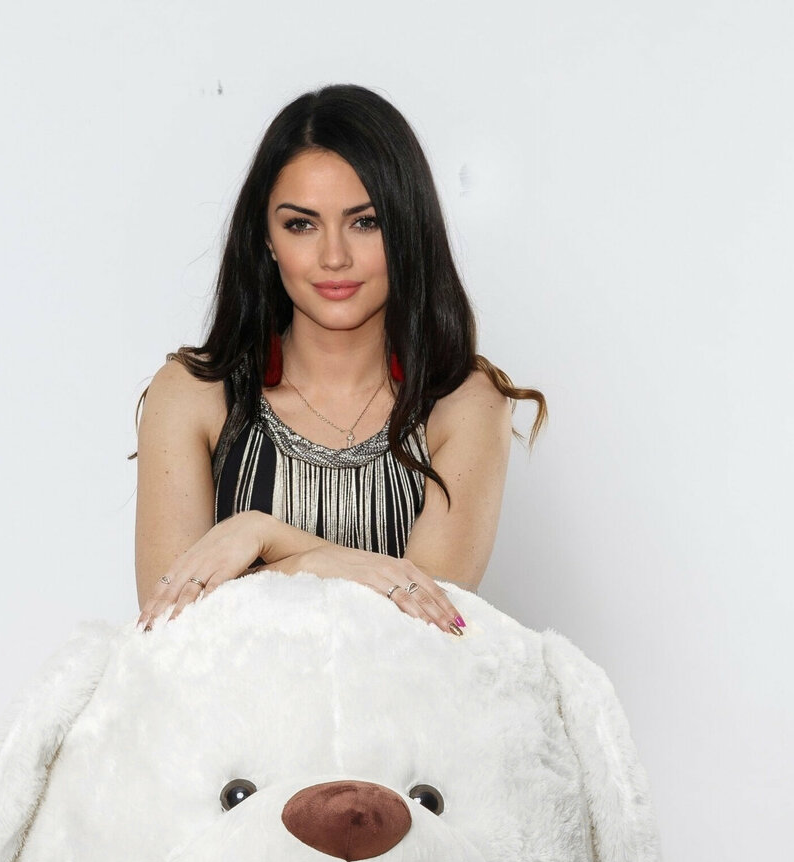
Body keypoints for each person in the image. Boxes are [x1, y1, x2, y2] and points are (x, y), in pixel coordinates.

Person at [136, 85, 545, 635]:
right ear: (266, 239)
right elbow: (167, 628)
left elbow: (427, 627)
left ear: (407, 229)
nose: (334, 257)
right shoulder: (192, 394)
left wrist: (263, 536)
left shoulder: (464, 403)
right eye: (301, 224)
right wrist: (327, 562)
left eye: (365, 222)